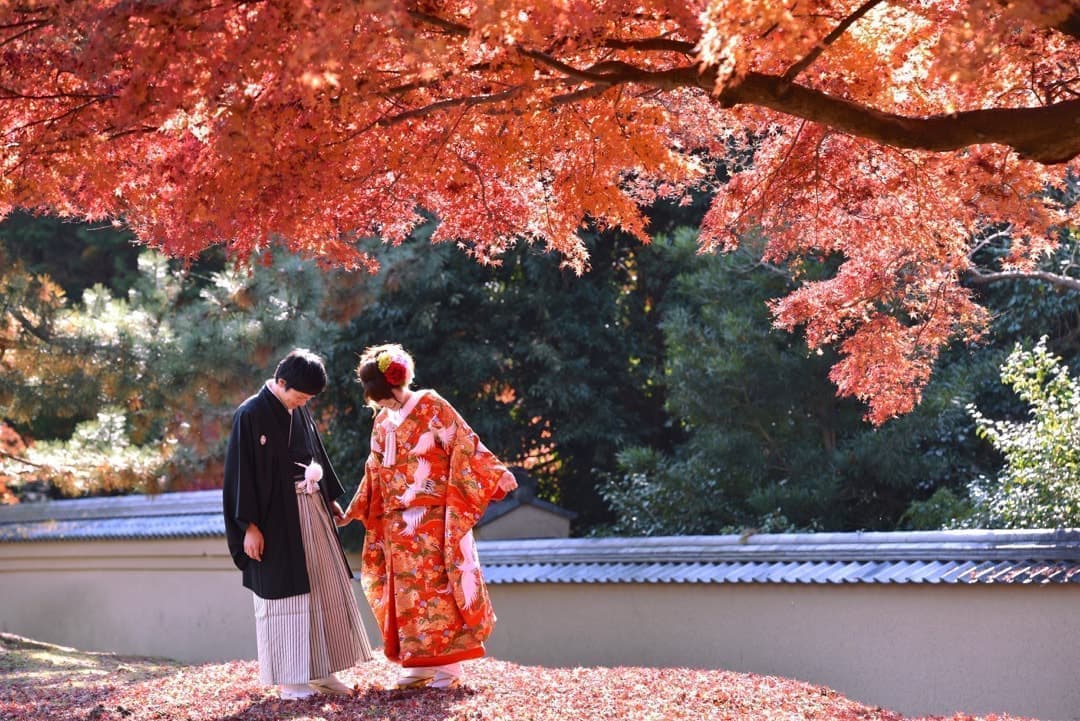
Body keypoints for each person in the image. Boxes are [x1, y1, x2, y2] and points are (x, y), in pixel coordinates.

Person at [341, 343, 517, 690]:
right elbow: (373, 470)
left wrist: (495, 472)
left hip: (433, 520)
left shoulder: (432, 405)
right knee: (407, 597)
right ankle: (419, 663)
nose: (381, 403)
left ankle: (449, 668)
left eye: (383, 395)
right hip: (397, 525)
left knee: (440, 589)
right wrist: (355, 508)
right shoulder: (381, 422)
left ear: (397, 383)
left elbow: (464, 443)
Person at [223, 348, 373, 700]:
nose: (303, 402)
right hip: (273, 520)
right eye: (300, 395)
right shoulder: (250, 414)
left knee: (325, 584)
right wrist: (249, 527)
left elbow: (315, 455)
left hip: (310, 507)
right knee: (284, 597)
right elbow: (238, 475)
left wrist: (330, 496)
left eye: (308, 398)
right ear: (280, 382)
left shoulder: (298, 409)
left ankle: (323, 671)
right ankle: (291, 681)